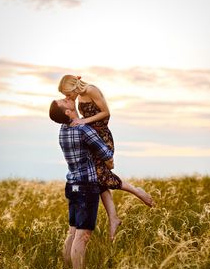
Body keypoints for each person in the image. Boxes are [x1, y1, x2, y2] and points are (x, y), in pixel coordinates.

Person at [57, 75, 153, 240]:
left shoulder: (91, 90)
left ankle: (137, 192)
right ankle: (113, 218)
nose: (67, 97)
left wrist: (84, 121)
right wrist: (77, 121)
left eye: (67, 94)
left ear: (73, 87)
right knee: (98, 179)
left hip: (101, 137)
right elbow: (79, 119)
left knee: (100, 176)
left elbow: (106, 113)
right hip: (91, 137)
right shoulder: (79, 95)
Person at [49, 98, 114, 269]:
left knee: (72, 232)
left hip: (73, 186)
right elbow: (107, 155)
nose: (66, 99)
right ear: (68, 112)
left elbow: (70, 106)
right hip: (86, 186)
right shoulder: (82, 130)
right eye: (64, 101)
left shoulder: (63, 130)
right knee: (82, 236)